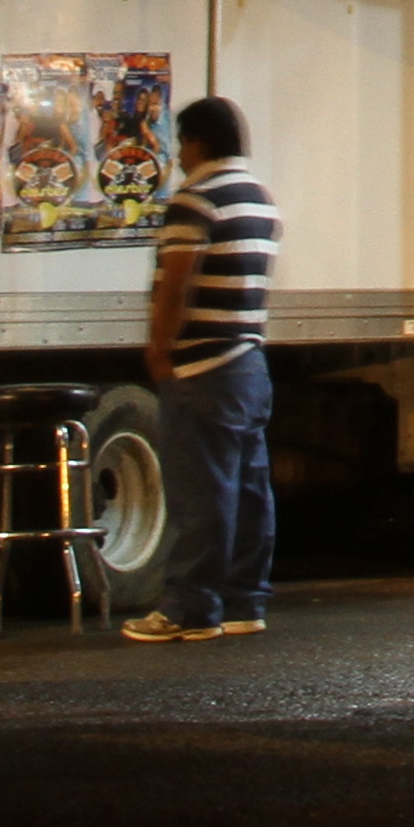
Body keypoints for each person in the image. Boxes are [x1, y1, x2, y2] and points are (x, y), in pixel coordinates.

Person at [124, 96, 277, 642]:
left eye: (182, 142)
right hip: (249, 361)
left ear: (198, 142)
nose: (179, 154)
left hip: (203, 365)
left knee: (200, 491)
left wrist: (159, 348)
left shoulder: (195, 200)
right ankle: (245, 601)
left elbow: (178, 280)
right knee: (249, 486)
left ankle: (190, 607)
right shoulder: (259, 198)